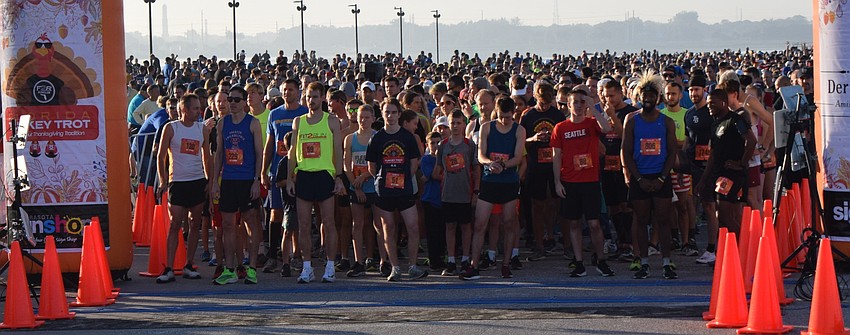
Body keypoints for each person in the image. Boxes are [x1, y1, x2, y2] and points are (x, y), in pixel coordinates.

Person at [286, 82, 346, 284]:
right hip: (304, 175)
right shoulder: (298, 121)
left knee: (328, 222)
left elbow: (338, 150)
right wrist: (290, 178)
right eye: (308, 97)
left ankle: (330, 266)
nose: (311, 100)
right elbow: (292, 152)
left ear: (322, 98)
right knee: (303, 224)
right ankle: (307, 267)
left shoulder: (332, 121)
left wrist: (338, 177)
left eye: (315, 97)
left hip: (324, 175)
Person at [552, 87, 617, 277]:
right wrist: (557, 182)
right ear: (569, 105)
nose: (579, 106)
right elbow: (556, 156)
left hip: (590, 180)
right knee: (573, 223)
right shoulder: (560, 127)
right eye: (575, 102)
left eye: (582, 102)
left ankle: (601, 260)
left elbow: (607, 128)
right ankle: (579, 262)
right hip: (569, 180)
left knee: (594, 223)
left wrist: (593, 107)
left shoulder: (591, 123)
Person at [621, 74, 679, 280]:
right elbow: (626, 151)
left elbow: (672, 152)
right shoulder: (632, 120)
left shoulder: (667, 122)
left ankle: (666, 262)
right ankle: (643, 261)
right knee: (640, 220)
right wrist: (637, 178)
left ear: (658, 98)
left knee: (663, 221)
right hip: (640, 177)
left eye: (652, 96)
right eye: (644, 96)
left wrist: (662, 178)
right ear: (639, 97)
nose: (648, 99)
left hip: (661, 176)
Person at [462, 96, 525, 280]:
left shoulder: (519, 130)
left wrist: (503, 165)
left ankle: (506, 264)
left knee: (509, 223)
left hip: (509, 181)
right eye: (501, 117)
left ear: (513, 113)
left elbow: (518, 157)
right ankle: (473, 265)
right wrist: (490, 163)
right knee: (480, 223)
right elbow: (481, 155)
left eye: (508, 117)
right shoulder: (487, 127)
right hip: (489, 181)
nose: (504, 120)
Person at [366, 98, 429, 281]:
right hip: (384, 190)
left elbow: (414, 163)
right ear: (382, 113)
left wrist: (403, 179)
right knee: (388, 228)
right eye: (387, 112)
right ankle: (394, 267)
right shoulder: (376, 138)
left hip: (405, 189)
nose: (390, 116)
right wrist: (383, 179)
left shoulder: (407, 137)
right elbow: (371, 166)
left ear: (399, 114)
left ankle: (412, 266)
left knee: (413, 226)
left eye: (394, 112)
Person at [210, 86, 264, 285]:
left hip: (247, 179)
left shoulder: (253, 123)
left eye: (236, 100)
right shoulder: (223, 123)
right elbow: (219, 154)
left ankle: (252, 268)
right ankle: (230, 269)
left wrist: (257, 180)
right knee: (227, 224)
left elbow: (259, 153)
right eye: (229, 99)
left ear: (244, 102)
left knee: (250, 223)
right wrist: (215, 182)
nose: (231, 103)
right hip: (228, 179)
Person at [155, 94, 211, 283]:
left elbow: (207, 157)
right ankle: (169, 268)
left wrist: (209, 181)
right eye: (195, 108)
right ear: (184, 110)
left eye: (199, 107)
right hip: (177, 182)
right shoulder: (171, 128)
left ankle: (189, 264)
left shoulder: (202, 129)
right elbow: (161, 155)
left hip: (197, 181)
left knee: (195, 223)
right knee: (175, 224)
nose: (199, 111)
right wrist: (163, 180)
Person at [695, 88, 757, 239]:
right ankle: (731, 248)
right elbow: (713, 154)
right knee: (724, 216)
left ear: (723, 103)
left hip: (731, 175)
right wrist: (703, 180)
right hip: (718, 174)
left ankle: (744, 246)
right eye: (708, 104)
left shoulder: (736, 120)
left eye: (712, 103)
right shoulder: (715, 124)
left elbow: (751, 141)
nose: (709, 106)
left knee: (724, 215)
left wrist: (741, 163)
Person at [261, 79, 308, 274]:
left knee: (297, 214)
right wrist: (263, 171)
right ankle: (273, 256)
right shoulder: (274, 114)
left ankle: (297, 255)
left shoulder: (305, 113)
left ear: (298, 92)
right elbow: (269, 144)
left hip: (299, 170)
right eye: (284, 90)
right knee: (276, 213)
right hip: (277, 170)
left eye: (291, 90)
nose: (287, 93)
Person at [519, 82, 565, 261]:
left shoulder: (557, 115)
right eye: (541, 103)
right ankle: (539, 244)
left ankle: (551, 236)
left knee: (555, 202)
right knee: (537, 204)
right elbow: (521, 141)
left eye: (547, 103)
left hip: (554, 163)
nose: (544, 106)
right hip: (535, 164)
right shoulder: (528, 115)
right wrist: (534, 138)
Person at [432, 111, 480, 276]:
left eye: (459, 123)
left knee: (466, 226)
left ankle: (465, 259)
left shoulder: (469, 145)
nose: (455, 126)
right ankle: (451, 260)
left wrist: (476, 191)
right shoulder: (443, 145)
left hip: (465, 192)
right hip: (448, 193)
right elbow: (437, 170)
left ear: (464, 124)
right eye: (452, 123)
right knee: (450, 226)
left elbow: (476, 169)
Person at [660, 81, 698, 257]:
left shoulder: (687, 114)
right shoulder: (660, 115)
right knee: (667, 207)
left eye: (673, 93)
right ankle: (673, 237)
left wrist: (673, 144)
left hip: (682, 168)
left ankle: (687, 240)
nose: (670, 97)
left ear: (681, 95)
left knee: (683, 206)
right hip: (664, 169)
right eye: (667, 94)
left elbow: (688, 142)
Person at [343, 105, 381, 278]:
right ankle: (358, 262)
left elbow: (379, 165)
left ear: (373, 118)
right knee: (357, 225)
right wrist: (356, 185)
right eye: (361, 117)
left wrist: (364, 176)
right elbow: (346, 165)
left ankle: (382, 261)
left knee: (379, 224)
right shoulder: (350, 139)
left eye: (367, 117)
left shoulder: (377, 137)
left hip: (374, 186)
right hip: (356, 186)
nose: (363, 120)